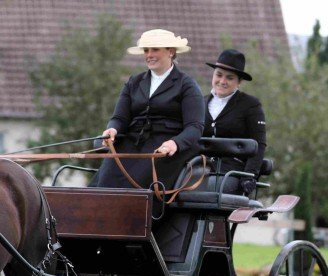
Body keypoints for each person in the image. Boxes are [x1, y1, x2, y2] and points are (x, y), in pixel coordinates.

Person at [91, 29, 205, 190]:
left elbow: (195, 127)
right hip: (131, 143)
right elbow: (120, 118)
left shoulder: (187, 85)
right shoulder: (134, 83)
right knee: (104, 181)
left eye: (155, 49)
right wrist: (112, 129)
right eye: (146, 50)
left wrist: (175, 143)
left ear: (171, 52)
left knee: (137, 182)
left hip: (165, 148)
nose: (149, 54)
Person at [203, 49, 266, 195]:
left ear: (239, 81)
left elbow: (259, 144)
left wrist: (249, 176)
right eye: (219, 75)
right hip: (199, 167)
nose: (222, 81)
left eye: (229, 78)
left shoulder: (251, 105)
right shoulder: (201, 102)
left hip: (230, 172)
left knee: (211, 187)